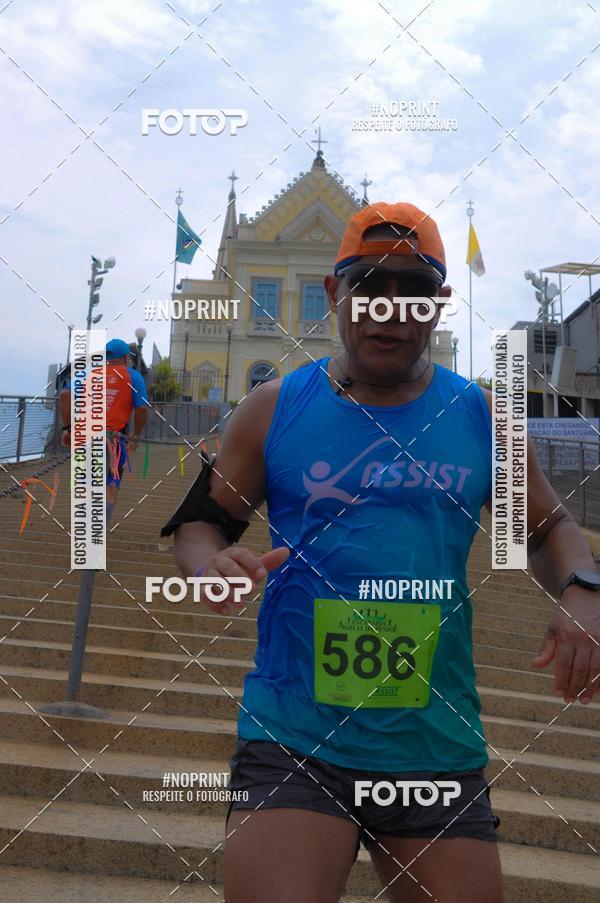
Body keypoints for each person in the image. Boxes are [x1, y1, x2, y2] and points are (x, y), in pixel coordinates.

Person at [165, 202, 600, 903]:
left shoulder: (480, 415)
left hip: (433, 739)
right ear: (334, 292)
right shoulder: (273, 407)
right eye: (368, 283)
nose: (389, 308)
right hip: (295, 733)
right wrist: (208, 563)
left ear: (440, 303)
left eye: (414, 289)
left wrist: (583, 588)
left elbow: (547, 528)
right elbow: (200, 521)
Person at [60, 338, 149, 520]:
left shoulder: (88, 374)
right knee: (112, 479)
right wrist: (137, 435)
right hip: (115, 437)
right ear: (125, 358)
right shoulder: (133, 376)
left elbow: (65, 395)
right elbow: (142, 409)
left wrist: (68, 429)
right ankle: (104, 510)